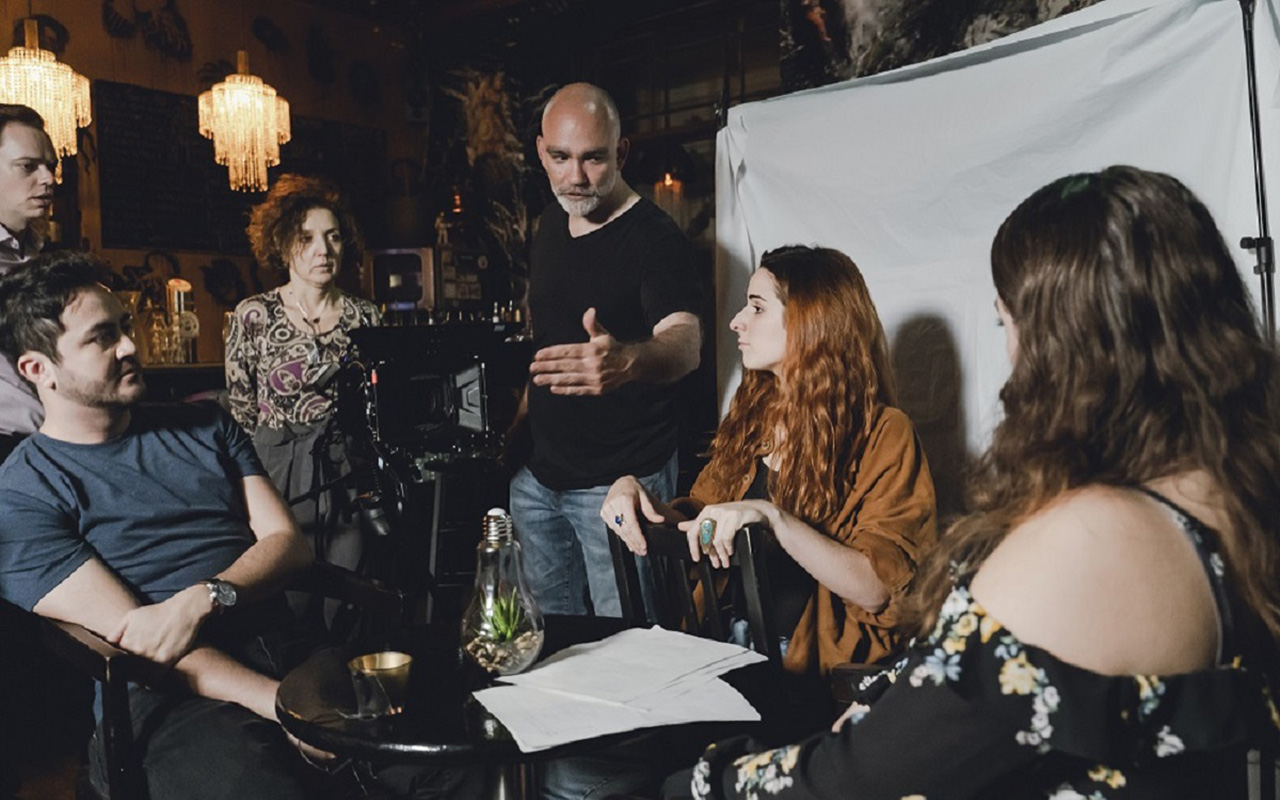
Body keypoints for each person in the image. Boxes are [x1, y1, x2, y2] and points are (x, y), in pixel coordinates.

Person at [663, 166, 1280, 799]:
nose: (1010, 356)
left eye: (1005, 323)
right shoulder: (1230, 504)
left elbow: (865, 774)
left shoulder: (1091, 532)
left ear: (1065, 342)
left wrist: (700, 783)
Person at [0, 252, 479, 800]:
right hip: (168, 692)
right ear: (38, 369)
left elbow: (289, 545)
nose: (131, 346)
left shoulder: (204, 424)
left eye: (126, 327)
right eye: (102, 337)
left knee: (450, 763)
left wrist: (205, 596)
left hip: (289, 649)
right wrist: (285, 709)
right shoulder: (23, 492)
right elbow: (148, 645)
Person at [603, 245, 937, 690]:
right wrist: (641, 500)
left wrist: (773, 518)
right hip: (722, 646)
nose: (736, 321)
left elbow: (877, 590)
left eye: (757, 308)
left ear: (810, 322)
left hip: (809, 670)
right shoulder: (754, 414)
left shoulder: (884, 433)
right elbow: (706, 527)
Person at [512, 82, 702, 618]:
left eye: (593, 158)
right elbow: (549, 340)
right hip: (538, 482)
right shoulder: (552, 220)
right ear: (541, 151)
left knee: (630, 647)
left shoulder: (656, 239)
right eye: (561, 157)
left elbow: (687, 343)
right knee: (553, 644)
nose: (575, 176)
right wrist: (517, 430)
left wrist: (628, 361)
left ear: (621, 152)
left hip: (620, 484)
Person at [224, 174, 379, 593]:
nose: (323, 250)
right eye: (306, 238)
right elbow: (241, 412)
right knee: (283, 586)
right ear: (282, 244)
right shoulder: (253, 315)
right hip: (275, 469)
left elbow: (375, 404)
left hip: (345, 470)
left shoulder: (365, 317)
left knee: (349, 587)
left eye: (333, 237)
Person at [0, 103, 57, 461]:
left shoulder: (37, 252)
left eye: (51, 166)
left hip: (48, 442)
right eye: (28, 166)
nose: (49, 179)